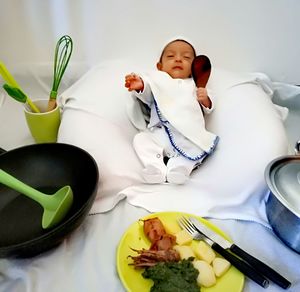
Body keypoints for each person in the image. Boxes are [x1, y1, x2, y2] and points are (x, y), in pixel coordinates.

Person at [125, 39, 219, 184]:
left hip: (188, 134)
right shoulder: (157, 82)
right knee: (141, 140)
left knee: (198, 145)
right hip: (160, 133)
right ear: (160, 66)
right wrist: (140, 86)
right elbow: (147, 94)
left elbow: (208, 108)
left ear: (194, 67)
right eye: (170, 56)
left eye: (186, 57)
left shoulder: (195, 85)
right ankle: (155, 167)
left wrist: (204, 98)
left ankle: (180, 169)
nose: (178, 59)